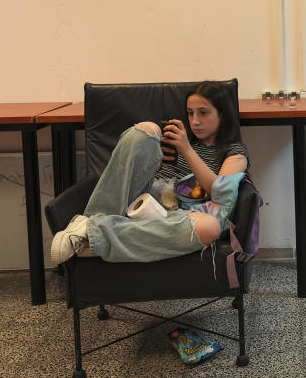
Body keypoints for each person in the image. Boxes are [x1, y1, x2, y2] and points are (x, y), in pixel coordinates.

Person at [50, 81, 249, 265]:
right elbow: (144, 179)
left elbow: (220, 193)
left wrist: (187, 150)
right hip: (148, 198)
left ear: (222, 114)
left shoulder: (233, 151)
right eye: (190, 113)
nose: (195, 121)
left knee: (211, 227)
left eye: (203, 113)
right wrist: (154, 159)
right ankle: (91, 221)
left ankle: (88, 232)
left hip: (181, 215)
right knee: (148, 129)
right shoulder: (181, 140)